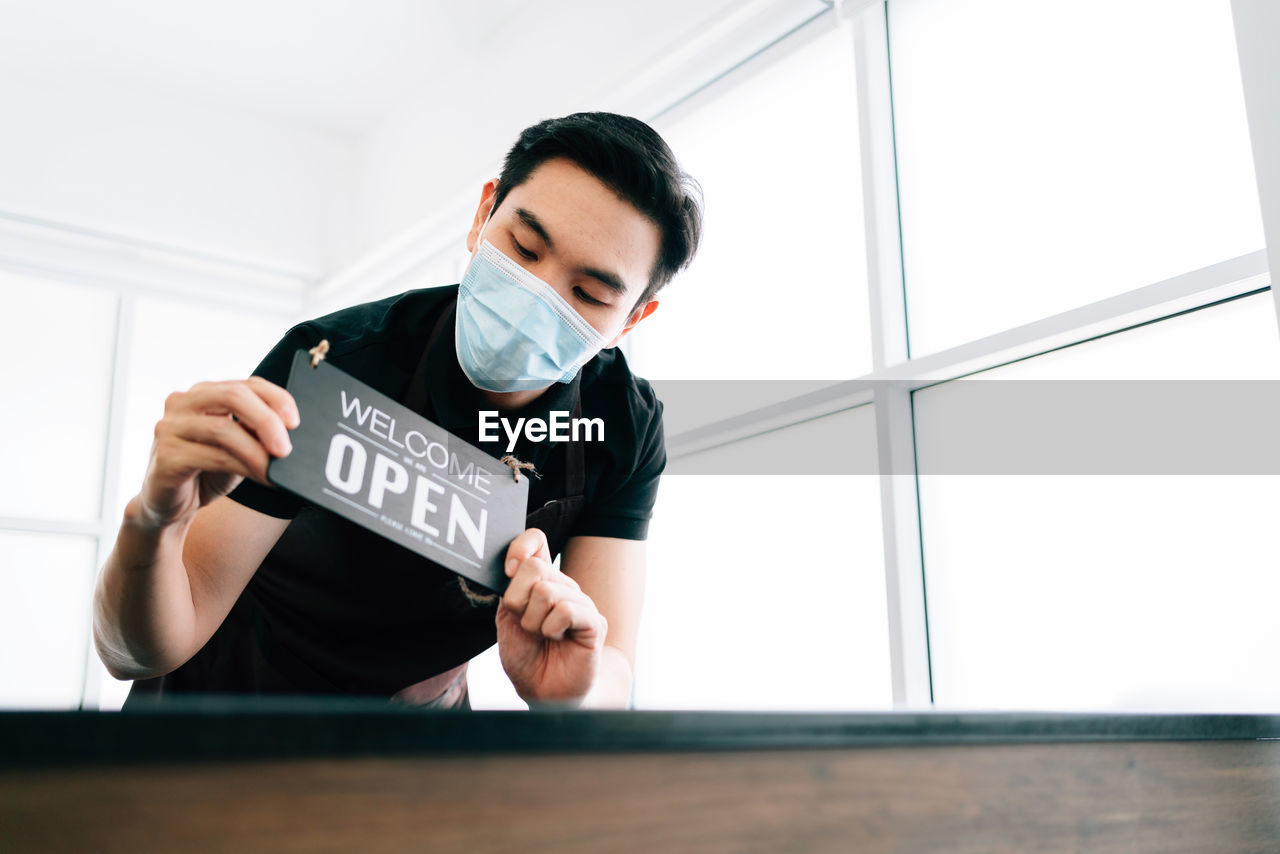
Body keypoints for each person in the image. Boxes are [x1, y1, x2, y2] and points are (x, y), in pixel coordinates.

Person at [92, 112, 702, 710]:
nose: (538, 295)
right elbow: (143, 649)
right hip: (229, 711)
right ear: (483, 214)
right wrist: (153, 520)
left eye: (590, 294)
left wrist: (574, 693)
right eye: (523, 246)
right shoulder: (331, 365)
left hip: (418, 745)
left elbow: (612, 666)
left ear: (632, 320)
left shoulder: (623, 422)